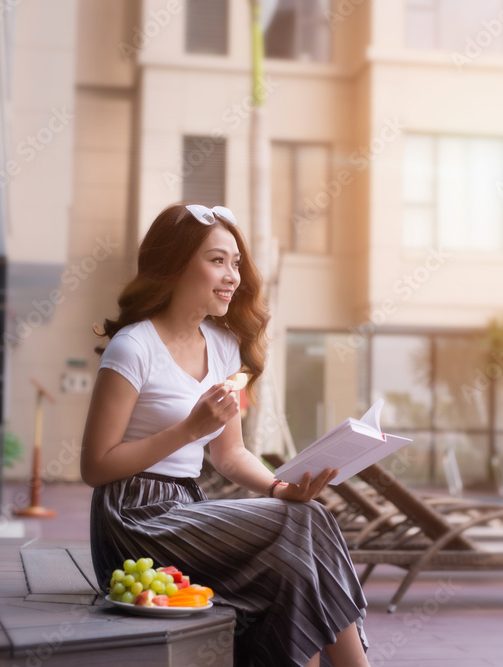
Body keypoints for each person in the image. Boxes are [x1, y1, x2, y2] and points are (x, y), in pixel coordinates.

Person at [81, 202, 370, 667]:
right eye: (217, 261)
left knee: (305, 529)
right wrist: (188, 429)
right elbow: (95, 467)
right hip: (132, 519)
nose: (232, 276)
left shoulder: (223, 346)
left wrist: (280, 488)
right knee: (304, 529)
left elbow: (230, 454)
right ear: (174, 266)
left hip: (187, 508)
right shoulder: (133, 347)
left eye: (235, 263)